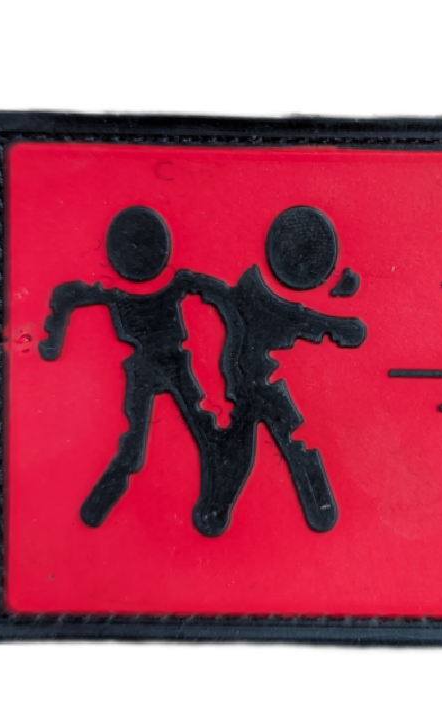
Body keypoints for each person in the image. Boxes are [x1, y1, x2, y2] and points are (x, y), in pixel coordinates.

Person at [182, 206, 366, 537]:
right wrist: (340, 327)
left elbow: (296, 318)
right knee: (276, 444)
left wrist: (338, 327)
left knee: (269, 444)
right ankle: (220, 508)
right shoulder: (258, 301)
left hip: (249, 384)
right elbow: (297, 319)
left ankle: (217, 509)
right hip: (250, 385)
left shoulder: (251, 297)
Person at [38, 206, 223, 527]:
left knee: (199, 431)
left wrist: (54, 335)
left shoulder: (145, 290)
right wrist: (53, 336)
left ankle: (215, 503)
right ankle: (99, 506)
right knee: (146, 443)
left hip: (167, 364)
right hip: (150, 366)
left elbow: (68, 295)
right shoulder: (128, 293)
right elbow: (68, 295)